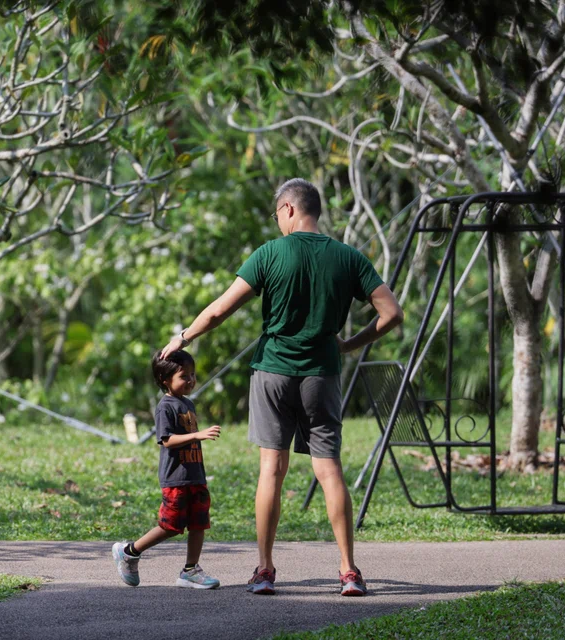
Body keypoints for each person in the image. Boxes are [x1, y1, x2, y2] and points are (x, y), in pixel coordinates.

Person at [159, 178, 403, 597]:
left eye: (277, 215)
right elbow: (392, 313)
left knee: (272, 469)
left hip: (272, 373)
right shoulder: (347, 257)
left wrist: (184, 337)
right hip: (321, 375)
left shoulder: (270, 254)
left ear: (288, 209)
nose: (277, 222)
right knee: (329, 471)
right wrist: (348, 344)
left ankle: (266, 570)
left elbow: (219, 311)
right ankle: (348, 571)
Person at [111, 350, 222, 589]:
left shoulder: (187, 403)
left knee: (199, 522)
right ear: (165, 380)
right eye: (184, 376)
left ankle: (190, 570)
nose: (191, 380)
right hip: (175, 478)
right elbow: (166, 440)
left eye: (193, 375)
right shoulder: (165, 407)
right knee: (171, 526)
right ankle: (130, 551)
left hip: (195, 475)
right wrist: (197, 435)